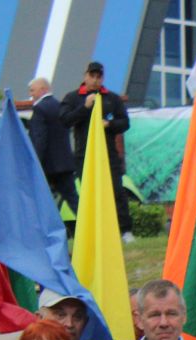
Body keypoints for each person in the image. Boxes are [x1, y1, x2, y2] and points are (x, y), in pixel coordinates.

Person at [61, 62, 131, 236]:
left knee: (116, 191)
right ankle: (93, 232)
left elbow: (125, 122)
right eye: (92, 76)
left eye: (98, 76)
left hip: (109, 155)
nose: (95, 80)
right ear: (85, 76)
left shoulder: (112, 98)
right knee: (89, 195)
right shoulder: (72, 98)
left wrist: (109, 124)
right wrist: (84, 107)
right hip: (84, 155)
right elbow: (65, 120)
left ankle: (125, 231)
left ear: (102, 78)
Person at [24, 78, 81, 215]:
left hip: (48, 165)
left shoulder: (39, 109)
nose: (30, 94)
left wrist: (35, 162)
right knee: (73, 199)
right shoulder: (60, 106)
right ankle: (90, 227)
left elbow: (39, 139)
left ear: (43, 89)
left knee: (42, 201)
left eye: (32, 90)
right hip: (65, 163)